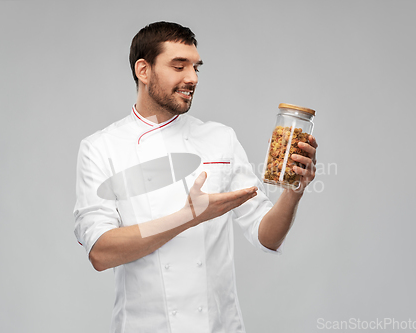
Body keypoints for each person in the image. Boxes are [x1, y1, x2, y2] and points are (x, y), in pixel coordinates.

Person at [74, 21, 318, 333]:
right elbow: (100, 251)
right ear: (143, 70)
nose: (192, 78)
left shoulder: (220, 139)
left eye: (196, 67)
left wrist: (294, 190)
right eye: (179, 66)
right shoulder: (101, 148)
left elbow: (266, 234)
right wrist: (188, 218)